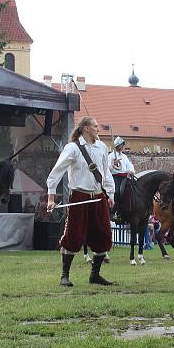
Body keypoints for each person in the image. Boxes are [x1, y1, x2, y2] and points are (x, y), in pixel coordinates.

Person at [46, 116, 115, 287]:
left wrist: (110, 194)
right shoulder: (73, 148)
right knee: (73, 235)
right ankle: (64, 276)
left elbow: (106, 173)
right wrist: (51, 197)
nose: (98, 129)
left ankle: (95, 275)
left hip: (99, 197)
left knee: (103, 235)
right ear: (85, 128)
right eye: (95, 126)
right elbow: (56, 172)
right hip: (80, 196)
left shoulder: (102, 147)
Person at [109, 136, 135, 222]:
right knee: (117, 192)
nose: (122, 147)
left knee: (133, 189)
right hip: (115, 177)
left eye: (123, 145)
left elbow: (129, 165)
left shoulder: (124, 156)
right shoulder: (111, 156)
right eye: (121, 145)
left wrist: (131, 171)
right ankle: (115, 211)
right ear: (117, 145)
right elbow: (107, 168)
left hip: (125, 177)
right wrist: (113, 164)